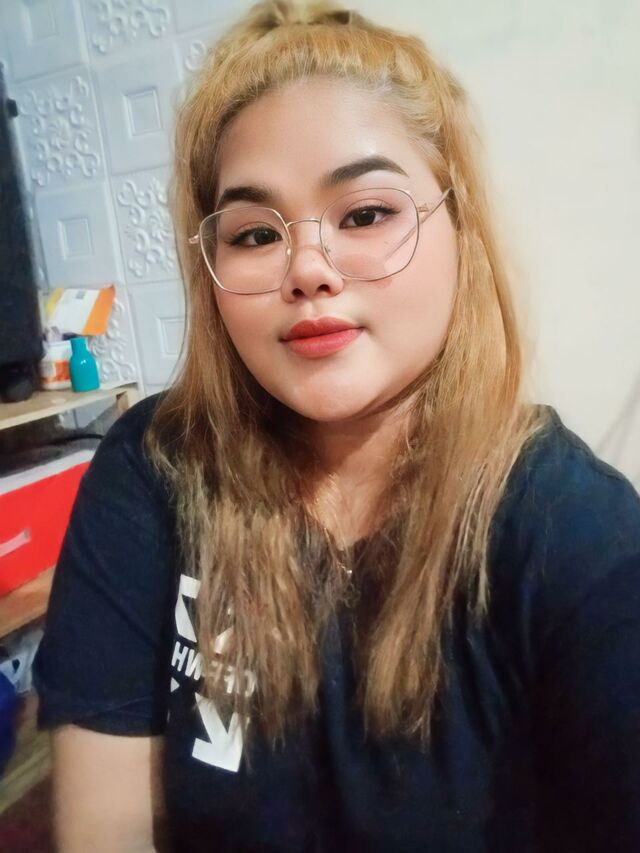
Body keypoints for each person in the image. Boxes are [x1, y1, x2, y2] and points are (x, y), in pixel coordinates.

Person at [32, 1, 640, 851]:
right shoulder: (155, 469)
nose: (309, 268)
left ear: (459, 228)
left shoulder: (574, 529)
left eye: (365, 214)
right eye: (255, 232)